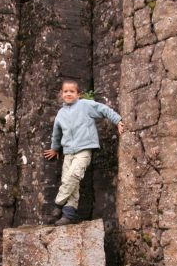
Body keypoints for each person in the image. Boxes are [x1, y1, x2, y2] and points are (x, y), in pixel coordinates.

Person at [44, 79, 124, 226]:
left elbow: (104, 109)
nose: (68, 94)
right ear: (62, 94)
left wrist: (117, 120)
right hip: (68, 152)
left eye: (72, 91)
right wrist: (55, 148)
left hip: (84, 150)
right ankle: (68, 215)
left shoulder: (85, 105)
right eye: (65, 91)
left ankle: (57, 205)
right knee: (70, 181)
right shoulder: (60, 114)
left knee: (74, 175)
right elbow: (56, 133)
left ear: (78, 94)